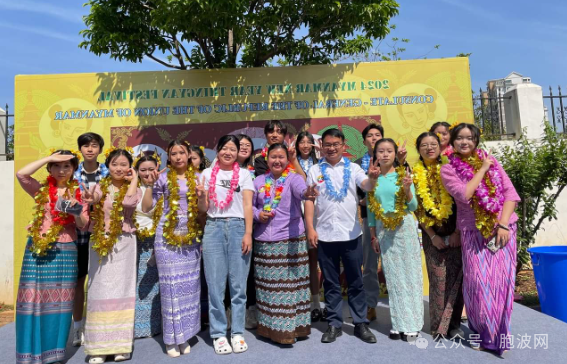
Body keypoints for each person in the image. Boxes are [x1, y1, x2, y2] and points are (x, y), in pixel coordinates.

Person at [440, 123, 520, 355]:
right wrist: (483, 169)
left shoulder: (491, 161)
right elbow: (465, 194)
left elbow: (510, 194)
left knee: (501, 285)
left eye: (469, 138)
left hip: (503, 230)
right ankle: (478, 332)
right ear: (452, 142)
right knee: (478, 284)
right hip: (473, 232)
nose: (464, 142)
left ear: (476, 140)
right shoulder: (448, 169)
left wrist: (503, 224)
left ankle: (499, 336)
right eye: (459, 138)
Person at [305, 128, 379, 344]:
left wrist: (373, 179)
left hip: (351, 234)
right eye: (327, 144)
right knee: (330, 282)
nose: (332, 148)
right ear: (322, 146)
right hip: (325, 235)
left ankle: (360, 323)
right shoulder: (315, 170)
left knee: (355, 281)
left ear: (343, 145)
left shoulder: (353, 167)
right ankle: (334, 323)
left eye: (336, 144)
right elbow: (310, 199)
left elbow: (366, 185)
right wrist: (310, 227)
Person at [15, 150, 89, 364]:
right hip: (39, 249)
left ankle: (54, 355)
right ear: (50, 169)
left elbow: (83, 224)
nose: (62, 170)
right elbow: (21, 174)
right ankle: (30, 354)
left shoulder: (80, 191)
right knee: (34, 299)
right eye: (57, 165)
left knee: (61, 301)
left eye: (67, 166)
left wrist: (76, 213)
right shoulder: (41, 190)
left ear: (74, 169)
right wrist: (48, 157)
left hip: (66, 250)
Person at [251, 143, 318, 344]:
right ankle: (269, 330)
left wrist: (308, 193)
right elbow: (250, 206)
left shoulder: (293, 179)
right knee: (268, 290)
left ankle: (291, 331)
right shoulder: (258, 181)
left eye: (281, 157)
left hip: (290, 242)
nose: (277, 161)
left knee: (290, 289)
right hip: (264, 243)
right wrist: (257, 214)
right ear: (267, 159)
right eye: (273, 157)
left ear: (287, 160)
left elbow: (302, 192)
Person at [142, 140, 203, 358]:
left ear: (189, 155)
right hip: (166, 237)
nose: (178, 157)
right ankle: (170, 339)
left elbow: (204, 208)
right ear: (169, 156)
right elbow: (146, 207)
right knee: (169, 288)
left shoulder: (199, 177)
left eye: (182, 153)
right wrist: (149, 184)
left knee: (189, 285)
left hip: (190, 237)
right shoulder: (161, 177)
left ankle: (185, 335)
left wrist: (202, 195)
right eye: (173, 153)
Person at [82, 148, 142, 364]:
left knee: (123, 290)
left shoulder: (135, 188)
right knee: (99, 291)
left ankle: (121, 345)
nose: (119, 168)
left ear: (130, 167)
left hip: (125, 243)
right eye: (115, 164)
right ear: (108, 165)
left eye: (124, 164)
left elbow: (128, 203)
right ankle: (98, 348)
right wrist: (90, 197)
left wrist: (134, 179)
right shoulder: (99, 186)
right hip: (101, 241)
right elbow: (94, 197)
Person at [197, 135, 255, 355]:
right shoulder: (206, 174)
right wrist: (201, 197)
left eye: (233, 149)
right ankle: (219, 334)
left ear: (238, 152)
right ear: (218, 150)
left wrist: (248, 233)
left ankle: (237, 332)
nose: (228, 152)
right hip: (213, 228)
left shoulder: (245, 175)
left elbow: (248, 206)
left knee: (239, 286)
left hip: (239, 227)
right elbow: (203, 209)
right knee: (215, 285)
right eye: (224, 148)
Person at [367, 138, 423, 342]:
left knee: (410, 277)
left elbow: (414, 206)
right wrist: (373, 235)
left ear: (394, 154)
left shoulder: (403, 175)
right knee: (393, 279)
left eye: (389, 151)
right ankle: (398, 324)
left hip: (404, 228)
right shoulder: (372, 178)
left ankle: (413, 324)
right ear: (375, 156)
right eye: (380, 151)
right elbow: (371, 211)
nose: (384, 154)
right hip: (384, 230)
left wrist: (408, 189)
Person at [413, 132, 464, 340]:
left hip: (455, 231)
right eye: (424, 145)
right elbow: (417, 209)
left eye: (433, 144)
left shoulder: (451, 169)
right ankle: (438, 328)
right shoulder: (414, 174)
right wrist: (432, 235)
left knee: (456, 279)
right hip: (431, 233)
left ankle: (453, 325)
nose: (429, 148)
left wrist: (457, 232)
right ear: (419, 149)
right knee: (438, 279)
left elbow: (462, 202)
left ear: (440, 146)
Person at [72, 132, 108, 347]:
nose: (90, 149)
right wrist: (82, 210)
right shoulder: (71, 173)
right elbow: (64, 200)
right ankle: (78, 328)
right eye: (85, 146)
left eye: (94, 145)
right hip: (78, 236)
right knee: (78, 284)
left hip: (103, 236)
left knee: (101, 283)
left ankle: (99, 328)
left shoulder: (109, 172)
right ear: (81, 149)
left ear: (100, 149)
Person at [132, 153, 163, 339]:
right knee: (137, 284)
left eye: (151, 169)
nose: (148, 173)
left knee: (156, 285)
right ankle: (137, 327)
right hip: (136, 241)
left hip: (157, 240)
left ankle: (156, 325)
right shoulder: (132, 188)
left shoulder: (164, 186)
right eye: (143, 170)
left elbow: (149, 208)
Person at [295, 131, 323, 321]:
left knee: (320, 262)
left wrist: (322, 157)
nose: (305, 145)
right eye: (302, 142)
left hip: (319, 215)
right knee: (303, 262)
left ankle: (321, 303)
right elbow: (302, 181)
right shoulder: (289, 163)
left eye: (309, 142)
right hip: (297, 215)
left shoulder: (320, 164)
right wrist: (291, 159)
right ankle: (306, 304)